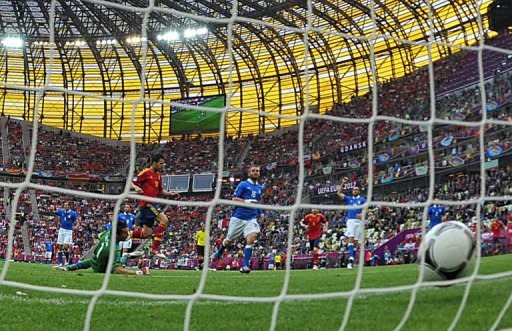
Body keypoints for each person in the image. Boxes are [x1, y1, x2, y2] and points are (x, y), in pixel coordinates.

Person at [212, 164, 264, 274]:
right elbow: (234, 199)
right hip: (239, 217)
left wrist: (261, 213)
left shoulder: (260, 188)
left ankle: (245, 266)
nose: (255, 172)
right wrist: (245, 202)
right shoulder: (243, 185)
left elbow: (258, 203)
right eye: (253, 171)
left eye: (257, 171)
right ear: (249, 173)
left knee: (251, 239)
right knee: (228, 241)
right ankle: (219, 252)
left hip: (252, 218)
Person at [130, 153, 178, 259]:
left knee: (146, 234)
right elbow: (131, 182)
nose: (162, 166)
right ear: (154, 163)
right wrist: (136, 188)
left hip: (151, 204)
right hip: (147, 203)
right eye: (161, 163)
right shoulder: (146, 172)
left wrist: (171, 194)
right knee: (164, 220)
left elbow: (160, 190)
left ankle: (123, 234)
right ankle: (155, 249)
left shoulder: (159, 175)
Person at [57, 221, 149, 275]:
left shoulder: (107, 233)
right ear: (117, 234)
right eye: (125, 233)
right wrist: (138, 272)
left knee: (92, 260)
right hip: (101, 269)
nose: (127, 234)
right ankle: (128, 255)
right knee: (121, 261)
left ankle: (68, 268)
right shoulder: (114, 249)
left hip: (95, 260)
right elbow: (116, 269)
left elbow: (98, 236)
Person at [337, 178, 367, 269]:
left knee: (356, 242)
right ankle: (350, 259)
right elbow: (339, 193)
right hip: (350, 220)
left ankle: (352, 259)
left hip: (359, 222)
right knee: (351, 238)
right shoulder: (349, 199)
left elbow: (366, 209)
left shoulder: (362, 199)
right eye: (354, 189)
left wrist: (362, 214)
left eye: (356, 190)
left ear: (359, 191)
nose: (355, 191)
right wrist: (342, 183)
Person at [54, 201, 79, 266]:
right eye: (64, 205)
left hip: (68, 231)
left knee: (65, 246)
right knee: (59, 246)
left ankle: (68, 260)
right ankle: (60, 263)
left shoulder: (73, 213)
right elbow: (55, 212)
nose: (65, 206)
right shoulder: (61, 211)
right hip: (61, 230)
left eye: (66, 205)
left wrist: (77, 226)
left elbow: (77, 220)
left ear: (69, 206)